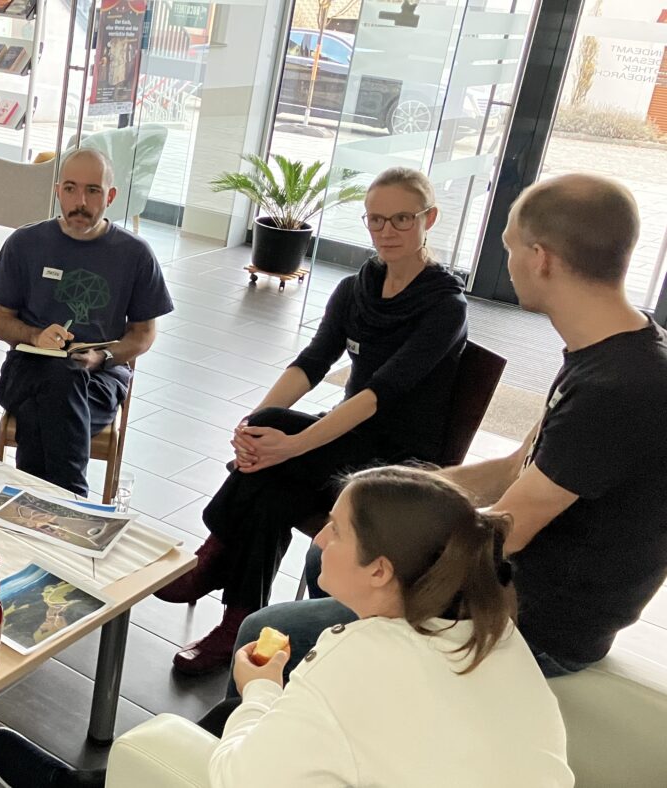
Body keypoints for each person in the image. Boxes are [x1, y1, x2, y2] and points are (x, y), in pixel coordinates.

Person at [235, 172, 667, 683]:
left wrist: (392, 547)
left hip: (530, 622)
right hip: (511, 586)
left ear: (540, 258)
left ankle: (331, 685)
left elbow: (509, 529)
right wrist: (389, 495)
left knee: (263, 630)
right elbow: (515, 468)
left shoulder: (618, 388)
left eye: (509, 248)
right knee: (327, 553)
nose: (508, 264)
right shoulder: (606, 353)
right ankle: (343, 688)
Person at [0, 466, 573, 788]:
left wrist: (263, 691)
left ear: (380, 570)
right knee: (246, 711)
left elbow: (238, 778)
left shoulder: (361, 656)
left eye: (336, 529)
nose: (319, 539)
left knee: (233, 717)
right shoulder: (493, 632)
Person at [155, 167, 468, 674]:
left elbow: (377, 395)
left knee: (277, 462)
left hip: (399, 459)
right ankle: (239, 621)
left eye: (402, 219)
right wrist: (252, 427)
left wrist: (290, 446)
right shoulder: (355, 288)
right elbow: (312, 362)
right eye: (376, 220)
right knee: (271, 476)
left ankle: (217, 558)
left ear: (428, 219)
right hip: (350, 434)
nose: (387, 231)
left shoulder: (444, 307)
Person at [0, 147, 173, 495]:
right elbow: (0, 320)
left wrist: (103, 356)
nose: (80, 201)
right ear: (58, 191)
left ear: (110, 196)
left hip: (98, 380)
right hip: (27, 369)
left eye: (92, 191)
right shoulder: (25, 243)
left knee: (43, 408)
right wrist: (35, 336)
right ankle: (72, 500)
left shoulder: (134, 254)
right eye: (70, 188)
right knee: (57, 380)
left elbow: (143, 334)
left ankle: (33, 502)